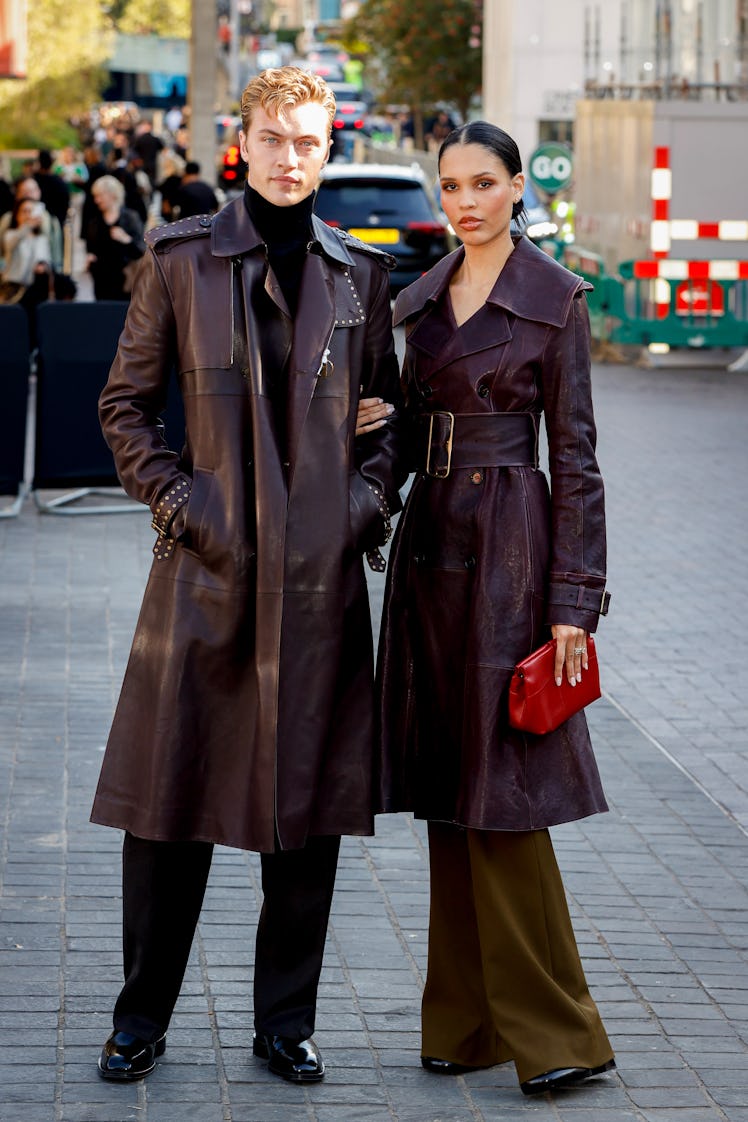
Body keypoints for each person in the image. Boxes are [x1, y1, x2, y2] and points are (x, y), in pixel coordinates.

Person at [91, 66, 404, 1085]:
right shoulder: (180, 261)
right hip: (206, 579)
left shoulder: (362, 277)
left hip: (317, 589)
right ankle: (140, 1017)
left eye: (308, 141)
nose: (289, 157)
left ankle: (286, 1023)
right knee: (167, 811)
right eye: (273, 139)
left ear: (324, 148)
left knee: (304, 818)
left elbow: (386, 432)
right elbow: (125, 406)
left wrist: (357, 510)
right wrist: (186, 506)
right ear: (244, 141)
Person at [375, 121, 616, 1097]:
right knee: (448, 790)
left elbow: (581, 462)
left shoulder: (553, 302)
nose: (464, 201)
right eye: (450, 186)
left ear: (517, 188)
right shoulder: (422, 299)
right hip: (430, 553)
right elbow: (391, 441)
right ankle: (463, 1023)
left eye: (483, 183)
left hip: (514, 558)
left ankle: (558, 1035)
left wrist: (573, 602)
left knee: (505, 795)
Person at [84, 175, 145, 301]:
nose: (97, 200)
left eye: (100, 195)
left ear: (113, 195)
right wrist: (90, 258)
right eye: (95, 196)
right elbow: (91, 248)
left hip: (126, 282)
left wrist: (125, 239)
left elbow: (141, 250)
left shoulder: (130, 218)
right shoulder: (94, 222)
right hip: (101, 282)